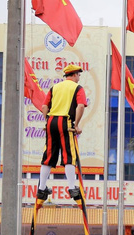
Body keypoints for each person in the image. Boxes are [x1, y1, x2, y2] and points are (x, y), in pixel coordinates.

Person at [37, 64, 87, 201]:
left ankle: (41, 189)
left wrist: (47, 121)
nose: (79, 78)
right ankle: (72, 188)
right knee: (69, 155)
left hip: (51, 121)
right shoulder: (78, 88)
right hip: (66, 122)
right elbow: (81, 106)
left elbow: (44, 106)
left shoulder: (54, 88)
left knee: (48, 155)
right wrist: (76, 125)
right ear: (75, 74)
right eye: (78, 75)